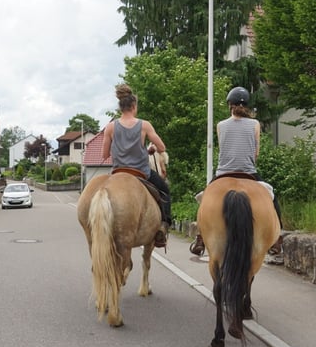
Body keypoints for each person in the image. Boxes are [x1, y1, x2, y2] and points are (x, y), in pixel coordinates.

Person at [189, 86, 283, 256]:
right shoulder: (255, 124)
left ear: (229, 105)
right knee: (272, 198)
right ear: (246, 105)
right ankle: (277, 239)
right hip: (248, 172)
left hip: (223, 173)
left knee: (204, 198)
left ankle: (200, 238)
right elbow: (256, 153)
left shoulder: (220, 125)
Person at [102, 84, 172, 247]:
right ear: (134, 106)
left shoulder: (110, 127)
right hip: (141, 173)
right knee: (165, 191)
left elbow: (105, 155)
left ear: (121, 107)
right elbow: (162, 148)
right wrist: (151, 149)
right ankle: (163, 226)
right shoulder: (144, 125)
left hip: (118, 172)